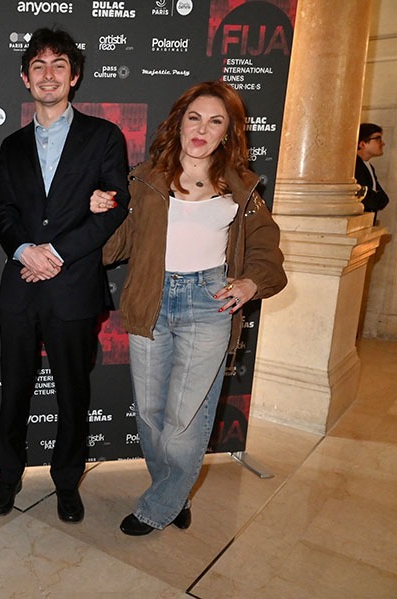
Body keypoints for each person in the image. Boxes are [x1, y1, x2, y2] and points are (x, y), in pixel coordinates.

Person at [92, 80, 287, 536]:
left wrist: (250, 282)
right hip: (150, 300)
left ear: (228, 132)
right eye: (194, 118)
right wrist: (101, 212)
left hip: (209, 303)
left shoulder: (241, 188)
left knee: (185, 418)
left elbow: (266, 249)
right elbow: (112, 249)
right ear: (178, 122)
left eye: (215, 121)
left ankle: (159, 506)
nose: (202, 129)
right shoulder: (145, 179)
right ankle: (175, 493)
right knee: (150, 413)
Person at [0, 27, 130, 523]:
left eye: (59, 65)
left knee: (73, 392)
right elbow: (4, 212)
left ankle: (66, 483)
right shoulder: (11, 145)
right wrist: (25, 251)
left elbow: (114, 206)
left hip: (74, 289)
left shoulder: (104, 136)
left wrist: (55, 253)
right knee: (13, 391)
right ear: (25, 78)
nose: (48, 75)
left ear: (74, 76)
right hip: (20, 287)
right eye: (39, 66)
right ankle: (8, 476)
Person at [355, 123, 389, 222]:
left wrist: (376, 198)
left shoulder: (370, 166)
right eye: (378, 139)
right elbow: (365, 197)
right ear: (362, 144)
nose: (383, 143)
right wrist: (375, 198)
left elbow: (384, 199)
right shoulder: (354, 166)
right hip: (358, 221)